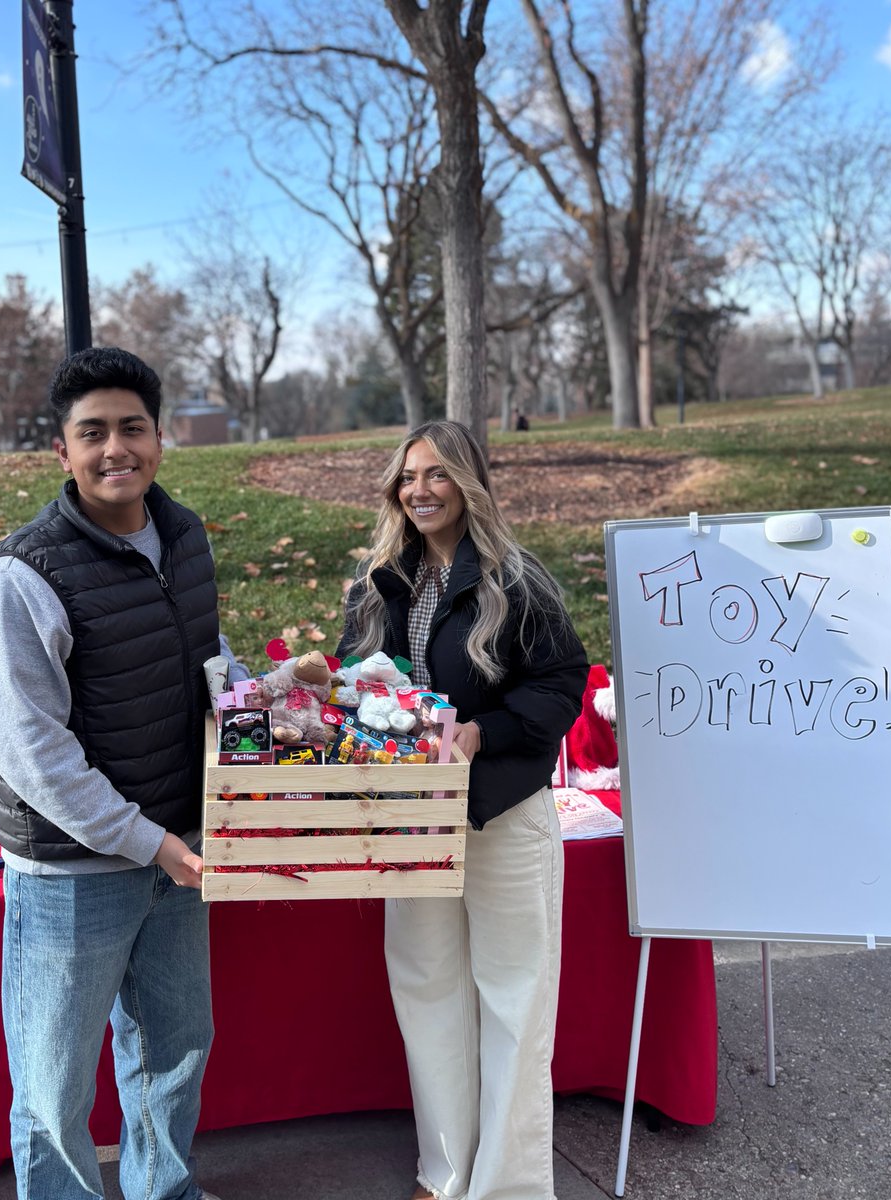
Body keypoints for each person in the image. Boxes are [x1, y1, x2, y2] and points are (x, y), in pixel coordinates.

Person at [0, 347, 224, 1200]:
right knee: (54, 1088)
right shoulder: (22, 575)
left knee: (176, 1049)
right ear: (62, 451)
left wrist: (255, 693)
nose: (116, 449)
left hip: (178, 852)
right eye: (93, 434)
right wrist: (146, 842)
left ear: (159, 437)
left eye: (132, 428)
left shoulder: (183, 534)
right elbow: (32, 753)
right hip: (73, 875)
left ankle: (168, 1192)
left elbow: (199, 656)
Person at [337, 420, 589, 1200]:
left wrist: (483, 732)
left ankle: (508, 1186)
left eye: (439, 475)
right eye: (410, 477)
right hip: (412, 817)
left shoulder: (518, 579)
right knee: (428, 990)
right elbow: (359, 681)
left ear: (469, 483)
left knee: (512, 998)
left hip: (503, 815)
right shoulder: (377, 581)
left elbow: (562, 682)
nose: (421, 490)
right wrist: (337, 682)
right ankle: (444, 1174)